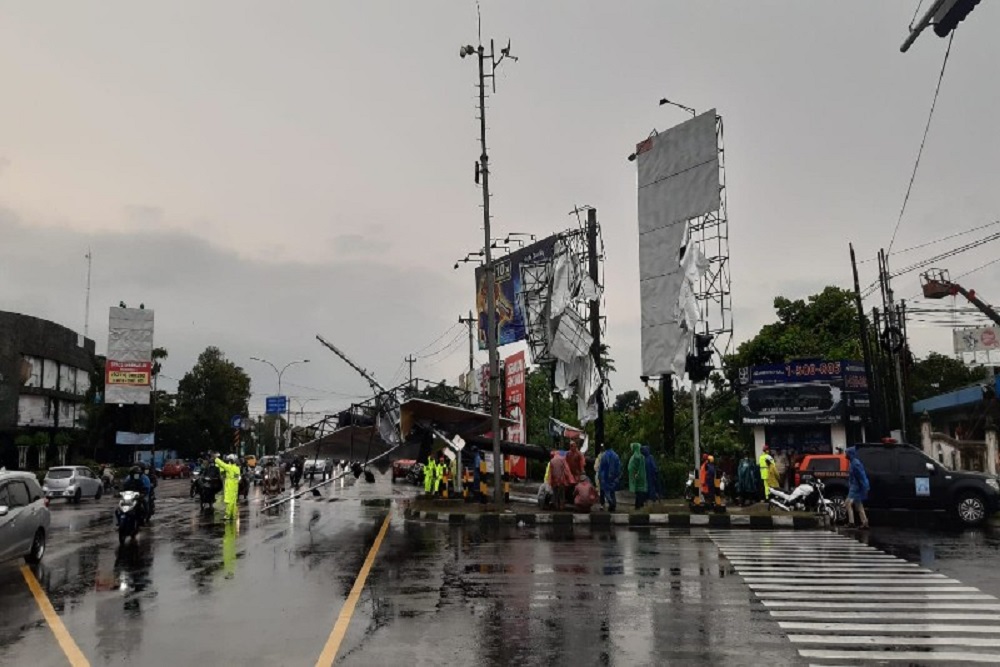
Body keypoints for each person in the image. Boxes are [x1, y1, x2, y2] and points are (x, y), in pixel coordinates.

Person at [846, 447, 870, 529]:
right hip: (856, 486)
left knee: (848, 503)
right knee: (858, 505)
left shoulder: (855, 464)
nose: (845, 455)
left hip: (856, 487)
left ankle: (851, 522)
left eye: (847, 453)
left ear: (850, 454)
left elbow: (861, 476)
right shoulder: (853, 462)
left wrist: (864, 487)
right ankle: (864, 522)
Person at [215, 454, 241, 521]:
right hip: (235, 486)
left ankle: (228, 515)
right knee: (233, 502)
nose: (228, 462)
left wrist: (216, 459)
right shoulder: (237, 468)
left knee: (228, 501)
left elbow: (222, 464)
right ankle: (233, 515)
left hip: (230, 485)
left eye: (229, 460)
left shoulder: (229, 468)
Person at [597, 445, 621, 512]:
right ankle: (613, 505)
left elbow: (601, 467)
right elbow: (618, 467)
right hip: (613, 476)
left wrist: (599, 476)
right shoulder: (616, 455)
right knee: (612, 491)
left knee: (605, 491)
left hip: (605, 476)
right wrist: (618, 476)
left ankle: (610, 503)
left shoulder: (604, 456)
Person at [627, 442, 648, 510]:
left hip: (638, 476)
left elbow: (638, 467)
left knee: (639, 491)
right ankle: (639, 505)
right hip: (639, 476)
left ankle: (638, 506)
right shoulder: (639, 456)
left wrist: (636, 474)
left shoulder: (637, 456)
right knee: (639, 491)